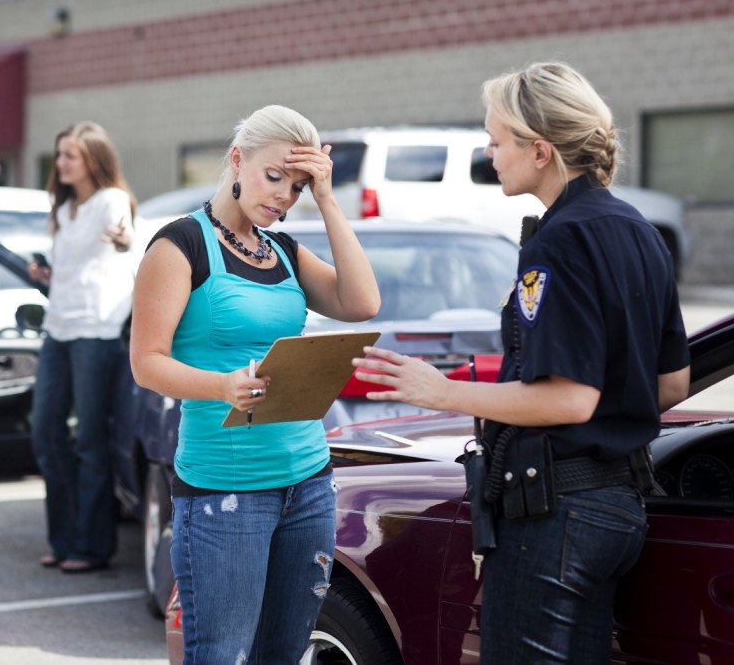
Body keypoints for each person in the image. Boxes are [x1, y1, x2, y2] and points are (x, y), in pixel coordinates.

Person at [353, 62, 691, 664]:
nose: (489, 154)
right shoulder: (639, 231)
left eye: (496, 139)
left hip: (555, 516)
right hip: (618, 507)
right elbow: (670, 383)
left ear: (540, 149)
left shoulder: (559, 239)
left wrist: (443, 392)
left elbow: (569, 398)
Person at [129, 104, 380, 662]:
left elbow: (362, 303)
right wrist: (222, 386)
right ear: (237, 160)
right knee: (221, 655)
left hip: (308, 483)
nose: (283, 197)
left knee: (286, 654)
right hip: (226, 491)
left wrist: (329, 199)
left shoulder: (283, 251)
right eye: (275, 178)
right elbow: (146, 362)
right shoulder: (179, 246)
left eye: (297, 187)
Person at [29, 121, 137, 574]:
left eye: (70, 154)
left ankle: (91, 547)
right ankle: (63, 538)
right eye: (59, 155)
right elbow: (66, 266)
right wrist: (44, 273)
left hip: (96, 331)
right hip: (58, 328)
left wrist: (124, 238)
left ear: (93, 158)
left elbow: (126, 237)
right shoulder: (65, 208)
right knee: (45, 431)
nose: (61, 163)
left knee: (90, 440)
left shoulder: (110, 201)